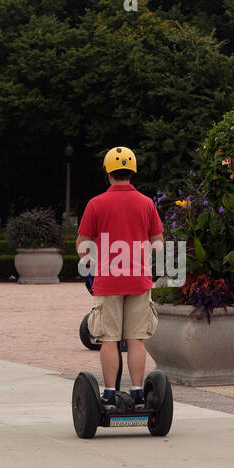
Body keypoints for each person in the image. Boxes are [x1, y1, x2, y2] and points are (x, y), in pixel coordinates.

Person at [77, 147, 165, 407]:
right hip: (138, 280)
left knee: (109, 339)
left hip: (108, 280)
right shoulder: (147, 203)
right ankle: (138, 392)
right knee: (136, 338)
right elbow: (158, 242)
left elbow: (82, 244)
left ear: (108, 173)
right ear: (132, 172)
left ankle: (109, 394)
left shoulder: (96, 204)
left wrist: (92, 257)